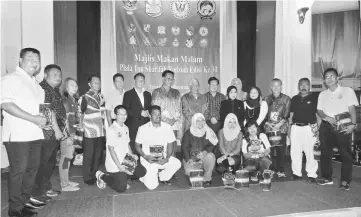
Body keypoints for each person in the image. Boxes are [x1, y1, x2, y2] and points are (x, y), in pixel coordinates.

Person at [2, 48, 47, 216]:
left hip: (36, 134)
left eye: (37, 59)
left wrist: (42, 121)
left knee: (31, 171)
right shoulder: (10, 79)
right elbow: (6, 105)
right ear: (20, 60)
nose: (35, 62)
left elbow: (40, 111)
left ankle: (24, 202)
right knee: (18, 172)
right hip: (18, 136)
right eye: (30, 58)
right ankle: (14, 209)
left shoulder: (36, 84)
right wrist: (33, 118)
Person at [317, 68, 359, 190]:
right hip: (326, 126)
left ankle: (345, 181)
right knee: (325, 153)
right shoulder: (322, 94)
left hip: (343, 125)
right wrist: (326, 117)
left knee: (345, 154)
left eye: (331, 76)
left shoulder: (348, 91)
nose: (329, 79)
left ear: (337, 78)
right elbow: (319, 110)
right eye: (326, 77)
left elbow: (352, 109)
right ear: (324, 80)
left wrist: (353, 124)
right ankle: (326, 177)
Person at [95, 105, 146, 193]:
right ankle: (102, 176)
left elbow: (127, 145)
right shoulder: (112, 129)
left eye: (125, 114)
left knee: (142, 171)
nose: (123, 116)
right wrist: (119, 166)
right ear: (115, 116)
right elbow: (111, 150)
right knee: (121, 188)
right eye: (120, 114)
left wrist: (132, 157)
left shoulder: (126, 128)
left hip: (125, 160)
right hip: (115, 164)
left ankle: (123, 176)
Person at [33, 64, 66, 200]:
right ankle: (38, 192)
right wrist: (57, 130)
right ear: (45, 75)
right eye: (54, 74)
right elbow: (48, 111)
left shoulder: (54, 89)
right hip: (48, 133)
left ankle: (44, 189)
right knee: (44, 162)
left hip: (54, 131)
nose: (58, 77)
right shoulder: (44, 89)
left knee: (50, 162)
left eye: (59, 75)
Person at [135, 106, 181, 190]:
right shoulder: (142, 128)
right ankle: (145, 176)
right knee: (152, 186)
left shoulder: (167, 127)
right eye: (155, 114)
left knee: (177, 163)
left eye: (159, 114)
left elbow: (171, 144)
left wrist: (167, 158)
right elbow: (137, 146)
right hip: (148, 159)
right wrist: (145, 156)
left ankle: (162, 177)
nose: (158, 116)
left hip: (162, 158)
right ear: (149, 115)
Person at [289, 78, 319, 182]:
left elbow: (317, 115)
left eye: (306, 85)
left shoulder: (315, 98)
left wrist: (318, 129)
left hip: (310, 128)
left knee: (310, 151)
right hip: (296, 127)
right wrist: (289, 130)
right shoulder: (294, 99)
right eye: (301, 85)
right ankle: (296, 173)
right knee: (295, 152)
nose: (303, 87)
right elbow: (291, 115)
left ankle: (312, 174)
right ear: (298, 86)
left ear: (309, 86)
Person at [79, 75, 106, 185]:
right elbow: (79, 113)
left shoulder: (101, 97)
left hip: (100, 131)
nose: (98, 85)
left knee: (98, 155)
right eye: (95, 83)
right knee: (89, 155)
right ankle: (87, 177)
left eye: (99, 83)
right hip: (89, 131)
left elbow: (103, 114)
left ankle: (94, 174)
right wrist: (81, 127)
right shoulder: (84, 97)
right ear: (89, 84)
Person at [264, 78, 291, 178]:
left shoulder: (287, 99)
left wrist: (279, 124)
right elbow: (263, 115)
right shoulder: (265, 99)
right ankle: (271, 168)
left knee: (280, 150)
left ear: (281, 86)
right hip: (269, 128)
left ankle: (281, 169)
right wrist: (268, 124)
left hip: (281, 128)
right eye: (273, 86)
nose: (276, 87)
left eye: (278, 85)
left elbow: (287, 114)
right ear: (271, 87)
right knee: (270, 149)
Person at [182, 113, 218, 187]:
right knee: (188, 171)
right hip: (191, 159)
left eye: (202, 120)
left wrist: (204, 152)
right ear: (194, 121)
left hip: (202, 158)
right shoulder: (188, 133)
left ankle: (207, 178)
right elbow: (184, 147)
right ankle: (198, 171)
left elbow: (212, 145)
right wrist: (189, 159)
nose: (200, 122)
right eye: (198, 120)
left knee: (211, 156)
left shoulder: (208, 132)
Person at [151, 70, 182, 150]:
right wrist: (166, 120)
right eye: (168, 78)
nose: (170, 81)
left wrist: (173, 120)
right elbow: (154, 110)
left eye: (172, 79)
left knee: (172, 150)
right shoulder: (156, 92)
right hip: (160, 124)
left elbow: (179, 109)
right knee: (159, 150)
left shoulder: (176, 93)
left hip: (173, 125)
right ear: (163, 79)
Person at [59, 78, 81, 192]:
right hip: (68, 135)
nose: (75, 86)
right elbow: (64, 120)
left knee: (69, 158)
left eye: (76, 85)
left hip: (73, 133)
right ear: (66, 87)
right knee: (66, 159)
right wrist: (67, 136)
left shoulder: (73, 100)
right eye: (72, 85)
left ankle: (66, 181)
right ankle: (64, 184)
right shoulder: (66, 100)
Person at [123, 73, 152, 153]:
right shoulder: (128, 94)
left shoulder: (148, 94)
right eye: (139, 80)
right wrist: (139, 113)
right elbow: (126, 109)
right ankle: (133, 163)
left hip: (145, 124)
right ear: (134, 81)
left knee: (145, 145)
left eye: (142, 80)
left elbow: (150, 107)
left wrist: (149, 112)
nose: (140, 82)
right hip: (133, 125)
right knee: (133, 145)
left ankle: (144, 162)